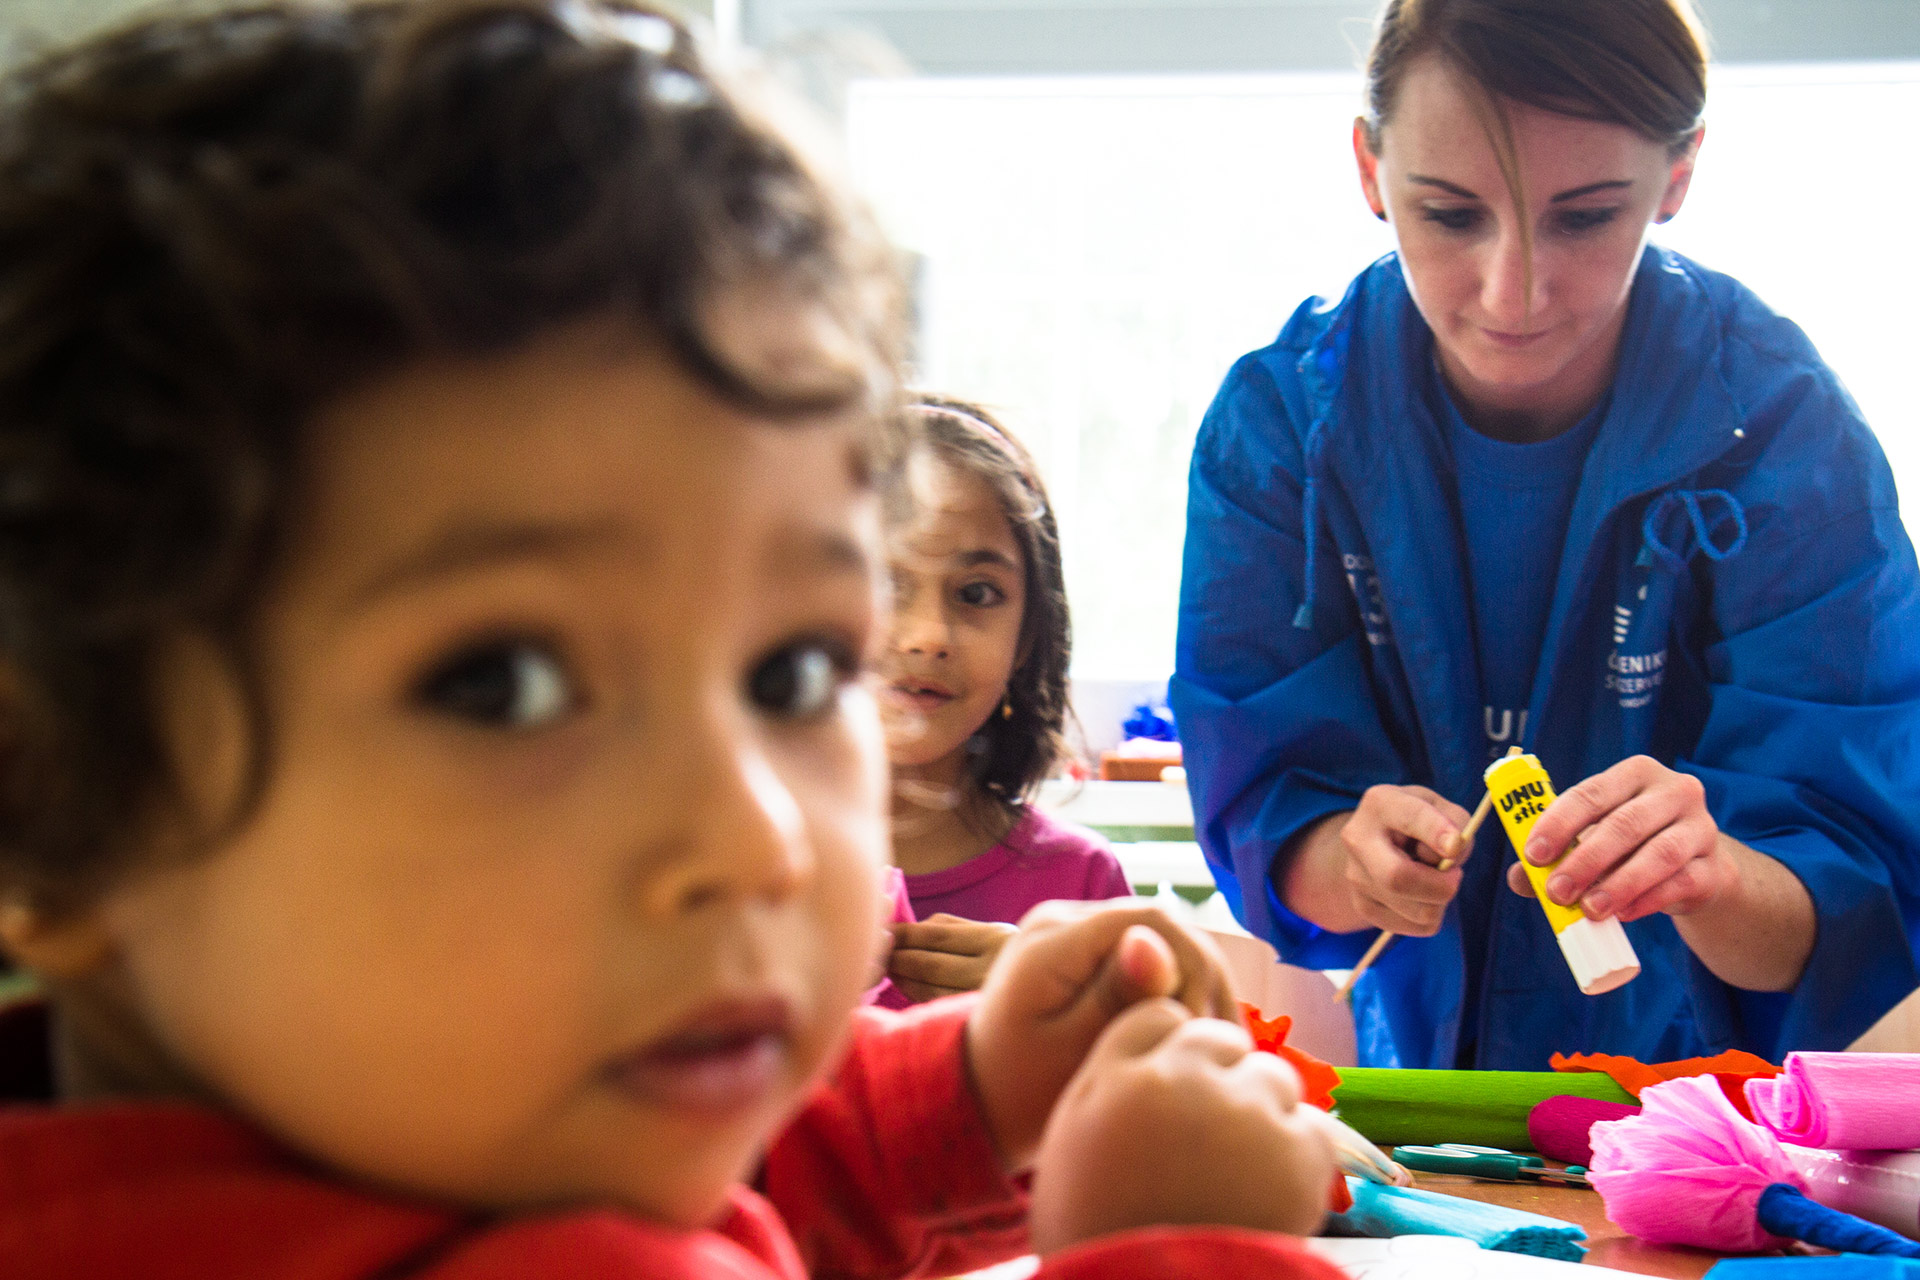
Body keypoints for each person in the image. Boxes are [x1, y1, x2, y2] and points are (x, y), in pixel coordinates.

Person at [0, 2, 1351, 1275]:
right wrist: (1180, 1240)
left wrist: (975, 1091)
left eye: (794, 670)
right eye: (505, 684)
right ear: (49, 796)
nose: (753, 834)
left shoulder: (380, 1144)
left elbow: (718, 1187)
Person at [1173, 0, 1920, 1071]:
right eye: (1449, 214)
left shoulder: (1783, 433)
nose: (1512, 290)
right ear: (1370, 170)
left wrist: (1714, 873)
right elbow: (1266, 816)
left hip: (1707, 1105)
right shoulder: (1282, 429)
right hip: (1423, 1109)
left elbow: (1856, 902)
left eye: (1584, 217)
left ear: (1678, 175)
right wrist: (1352, 861)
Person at [881, 397, 1133, 1002]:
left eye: (976, 593)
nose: (928, 636)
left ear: (1026, 639)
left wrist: (1055, 1010)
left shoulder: (1081, 886)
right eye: (887, 581)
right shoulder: (747, 868)